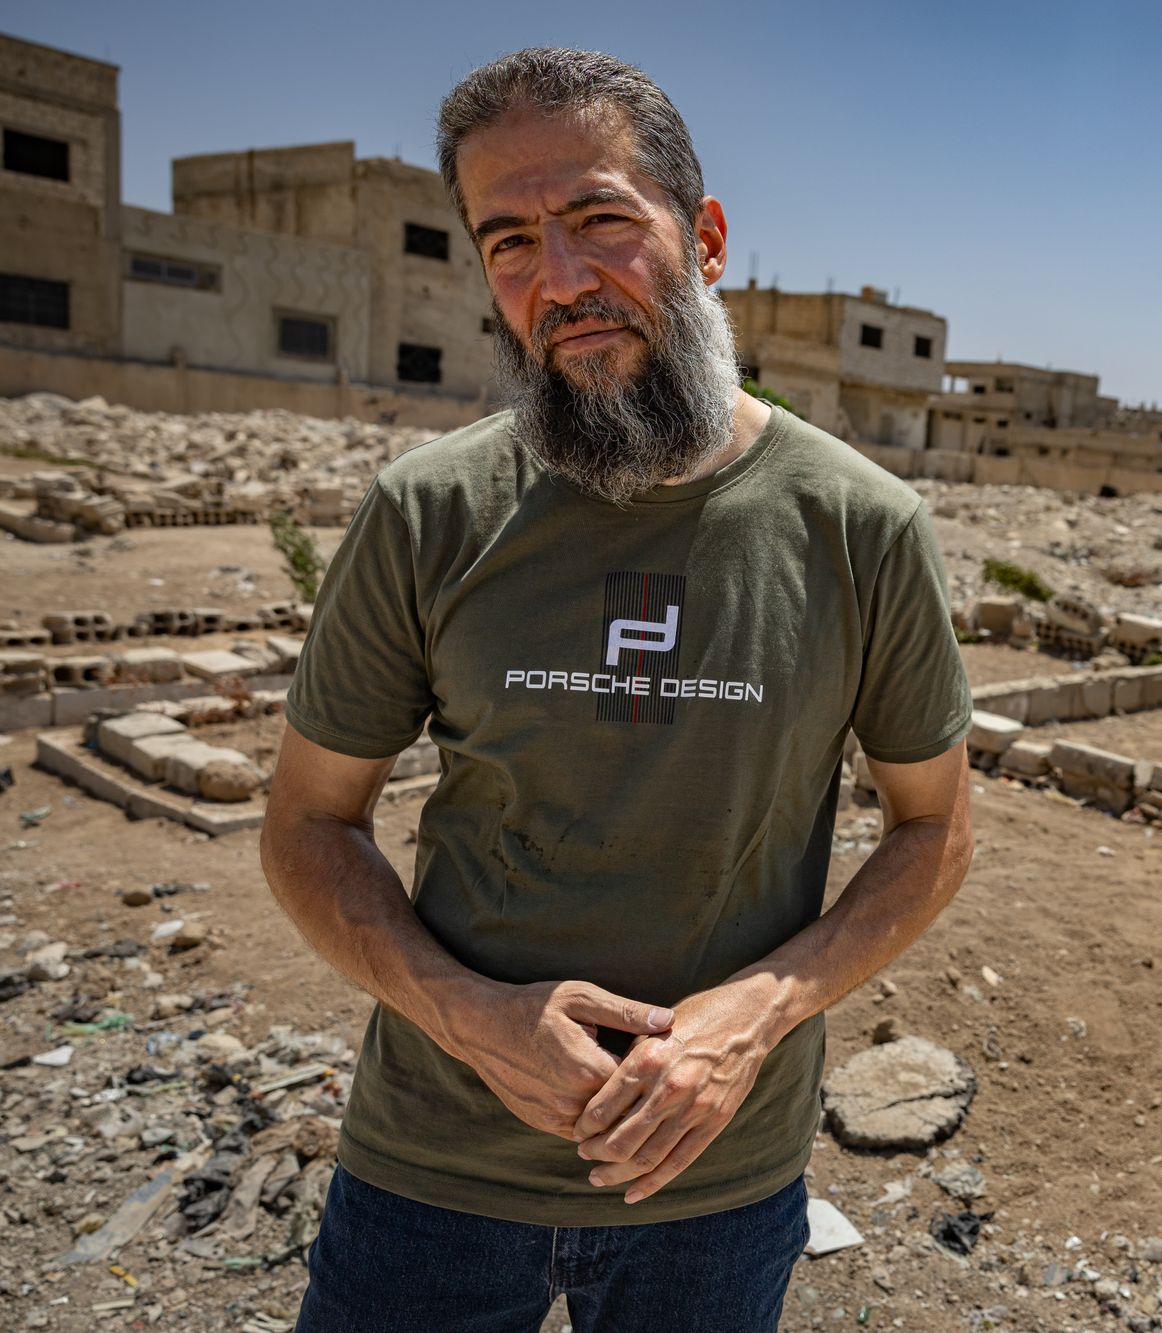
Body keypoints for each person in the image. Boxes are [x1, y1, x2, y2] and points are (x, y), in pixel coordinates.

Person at [261, 46, 974, 1333]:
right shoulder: (427, 511)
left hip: (713, 1188)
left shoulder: (861, 525)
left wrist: (758, 1013)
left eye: (600, 221)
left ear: (702, 237)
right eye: (511, 241)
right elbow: (308, 821)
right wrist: (469, 1017)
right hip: (429, 1175)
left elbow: (933, 830)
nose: (562, 280)